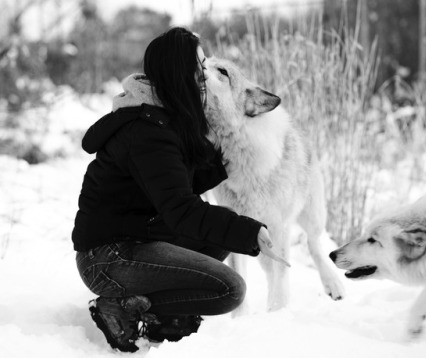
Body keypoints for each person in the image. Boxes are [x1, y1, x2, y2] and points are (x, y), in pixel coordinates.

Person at [72, 27, 289, 353]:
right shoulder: (148, 131)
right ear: (178, 71)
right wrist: (249, 232)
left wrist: (227, 159)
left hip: (133, 237)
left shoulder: (162, 116)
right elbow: (181, 208)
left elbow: (174, 183)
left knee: (217, 236)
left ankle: (156, 313)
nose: (205, 75)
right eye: (200, 67)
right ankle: (120, 305)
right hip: (107, 259)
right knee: (229, 289)